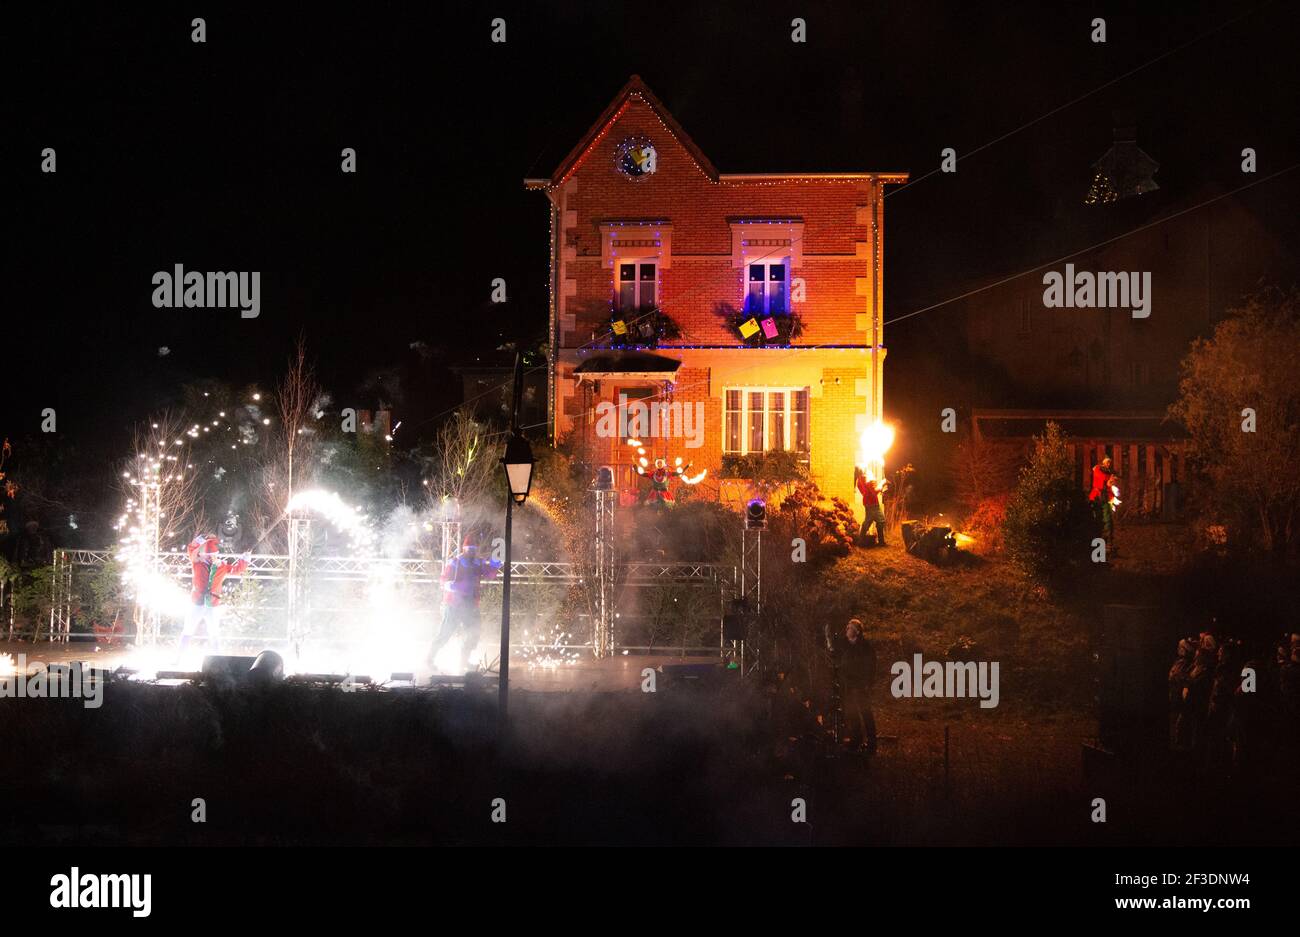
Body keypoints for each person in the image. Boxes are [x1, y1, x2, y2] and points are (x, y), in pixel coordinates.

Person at [429, 536, 503, 673]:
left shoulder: (478, 563)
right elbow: (443, 579)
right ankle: (429, 659)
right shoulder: (455, 563)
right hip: (453, 604)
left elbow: (490, 575)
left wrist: (495, 566)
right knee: (445, 633)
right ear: (464, 549)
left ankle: (464, 661)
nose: (472, 552)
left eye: (474, 549)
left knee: (474, 633)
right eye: (469, 549)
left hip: (470, 605)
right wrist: (449, 585)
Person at [182, 534, 250, 656]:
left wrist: (245, 558)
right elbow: (191, 549)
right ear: (204, 555)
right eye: (208, 556)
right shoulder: (197, 562)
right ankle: (179, 657)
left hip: (212, 604)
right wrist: (202, 538)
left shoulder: (222, 566)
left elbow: (237, 570)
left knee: (214, 632)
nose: (211, 558)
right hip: (197, 602)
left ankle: (217, 658)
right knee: (188, 630)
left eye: (213, 555)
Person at [826, 617, 878, 754]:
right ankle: (856, 739)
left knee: (865, 712)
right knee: (851, 713)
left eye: (850, 628)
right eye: (847, 627)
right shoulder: (844, 645)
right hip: (847, 685)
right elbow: (834, 656)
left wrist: (868, 682)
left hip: (860, 685)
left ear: (857, 631)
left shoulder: (865, 646)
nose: (847, 630)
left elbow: (871, 666)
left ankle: (872, 742)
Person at [855, 467, 888, 547]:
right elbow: (874, 491)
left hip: (868, 502)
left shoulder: (859, 480)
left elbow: (866, 491)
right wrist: (882, 482)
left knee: (869, 520)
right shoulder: (867, 479)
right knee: (880, 520)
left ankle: (861, 541)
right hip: (873, 503)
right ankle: (880, 542)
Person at [1088, 456, 1118, 544]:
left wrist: (1112, 479)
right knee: (1096, 517)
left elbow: (1110, 483)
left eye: (1110, 462)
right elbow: (1102, 477)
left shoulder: (1109, 472)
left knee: (1107, 517)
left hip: (1105, 497)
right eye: (1107, 462)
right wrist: (1110, 477)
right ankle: (1096, 538)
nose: (1109, 464)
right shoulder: (1098, 469)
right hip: (1097, 496)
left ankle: (1108, 538)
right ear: (1103, 462)